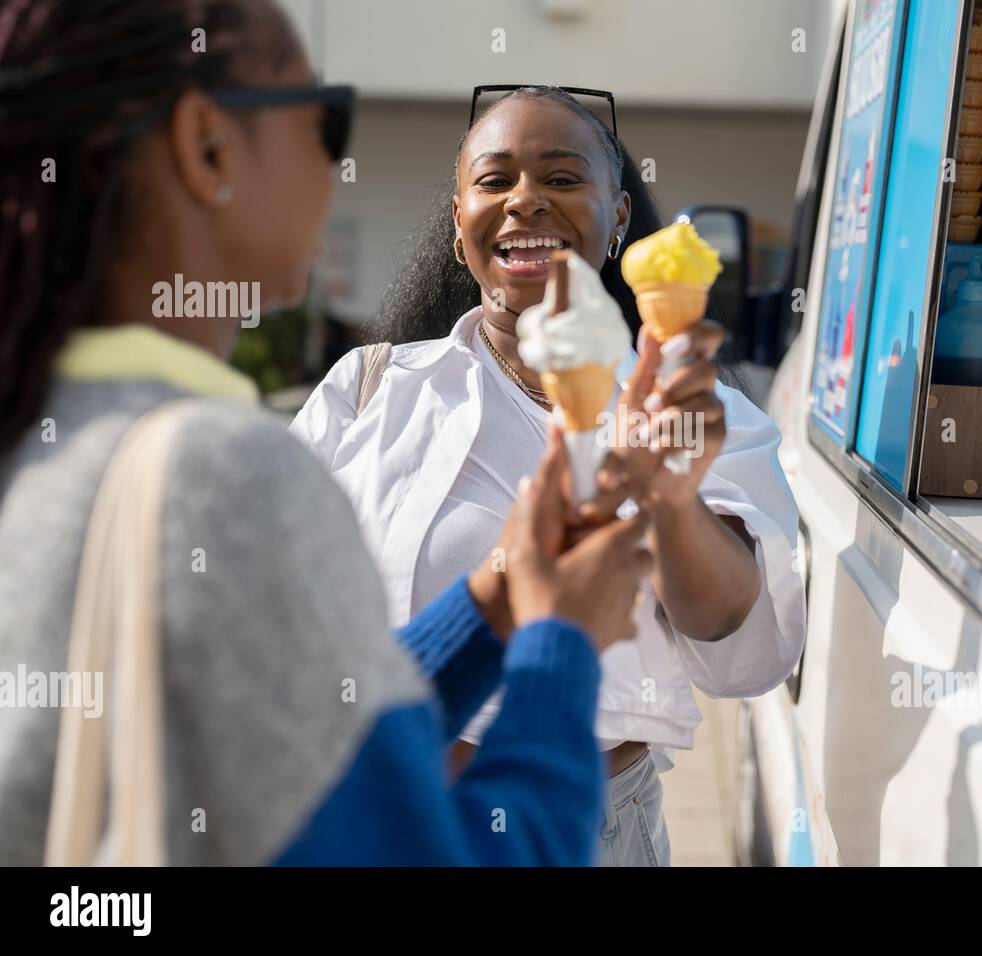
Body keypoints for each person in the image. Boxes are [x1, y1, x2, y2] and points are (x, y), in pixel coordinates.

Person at [0, 0, 649, 866]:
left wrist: (491, 610)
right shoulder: (218, 472)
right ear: (209, 149)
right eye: (322, 118)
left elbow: (306, 736)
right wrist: (560, 647)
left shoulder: (54, 422)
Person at [291, 86, 807, 866]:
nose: (525, 200)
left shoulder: (697, 413)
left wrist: (668, 494)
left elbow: (736, 636)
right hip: (383, 822)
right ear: (459, 215)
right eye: (495, 181)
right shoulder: (366, 390)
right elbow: (278, 610)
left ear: (621, 218)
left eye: (562, 179)